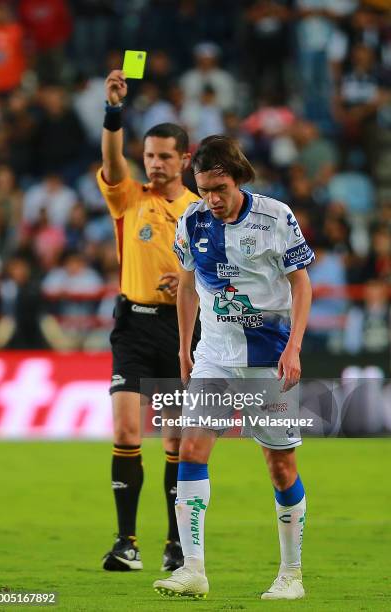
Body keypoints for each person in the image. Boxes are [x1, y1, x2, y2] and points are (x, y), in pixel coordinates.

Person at [153, 135, 314, 600]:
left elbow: (301, 286)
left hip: (269, 357)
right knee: (191, 450)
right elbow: (185, 286)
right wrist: (186, 348)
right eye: (204, 189)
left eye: (220, 188)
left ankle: (291, 575)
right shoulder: (191, 220)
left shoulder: (275, 216)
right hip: (215, 356)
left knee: (280, 465)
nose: (212, 199)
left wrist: (294, 348)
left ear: (238, 177)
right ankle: (194, 570)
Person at [96, 70, 198, 572]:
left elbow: (225, 279)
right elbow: (111, 158)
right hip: (132, 326)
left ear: (185, 159)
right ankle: (126, 541)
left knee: (177, 442)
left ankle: (176, 545)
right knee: (126, 428)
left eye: (164, 157)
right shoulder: (128, 196)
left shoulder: (203, 212)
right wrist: (113, 109)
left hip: (183, 331)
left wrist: (192, 285)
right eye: (150, 155)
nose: (154, 164)